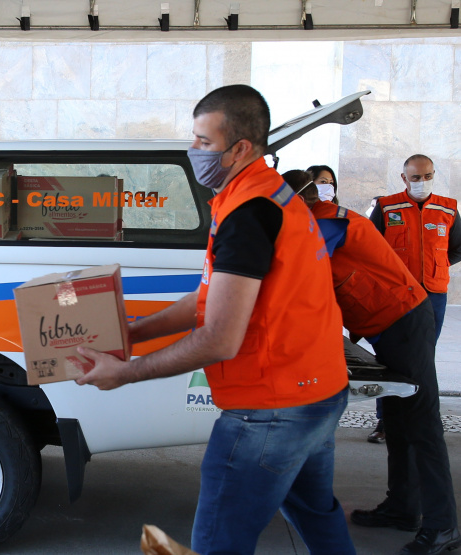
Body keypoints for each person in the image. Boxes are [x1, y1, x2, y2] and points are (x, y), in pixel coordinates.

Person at [75, 85, 354, 555]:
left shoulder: (248, 213)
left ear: (240, 147)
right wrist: (137, 331)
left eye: (204, 142)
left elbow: (220, 338)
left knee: (218, 542)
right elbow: (209, 297)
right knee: (315, 515)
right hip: (318, 392)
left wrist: (126, 373)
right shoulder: (270, 194)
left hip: (268, 411)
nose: (194, 151)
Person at [285, 169, 460, 555]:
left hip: (405, 321)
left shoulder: (329, 223)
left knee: (423, 424)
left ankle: (443, 525)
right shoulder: (319, 221)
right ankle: (402, 508)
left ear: (298, 202)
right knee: (398, 421)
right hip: (389, 325)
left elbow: (293, 268)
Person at [369, 154, 461, 342]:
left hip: (434, 291)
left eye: (428, 176)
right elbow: (370, 247)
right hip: (398, 290)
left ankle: (424, 373)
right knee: (398, 343)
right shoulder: (387, 207)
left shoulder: (448, 208)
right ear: (404, 178)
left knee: (428, 343)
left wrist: (437, 265)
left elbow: (458, 247)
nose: (423, 182)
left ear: (434, 174)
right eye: (416, 177)